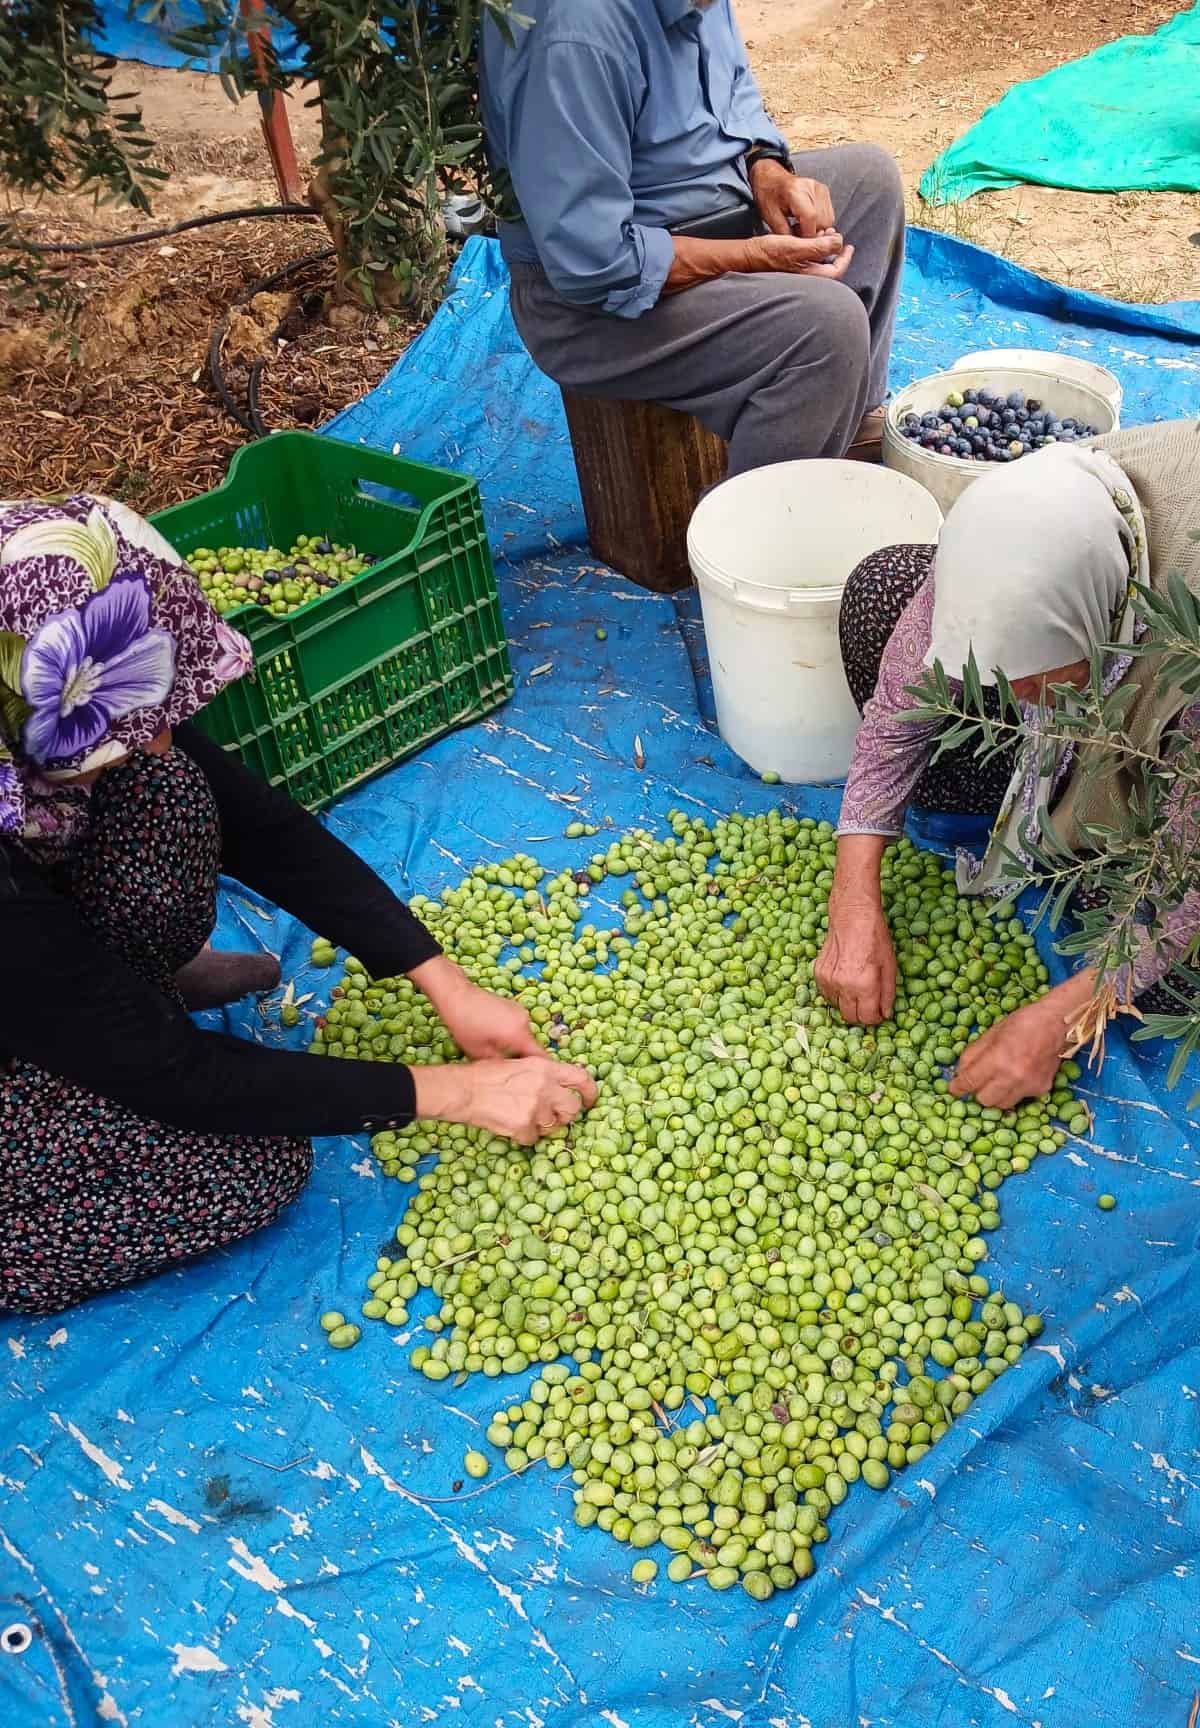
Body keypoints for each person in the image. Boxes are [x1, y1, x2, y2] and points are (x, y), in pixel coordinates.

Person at [0, 496, 597, 1316]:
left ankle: (107, 1009)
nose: (162, 735)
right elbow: (175, 1077)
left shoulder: (34, 662)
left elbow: (254, 820)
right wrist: (454, 1092)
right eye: (125, 724)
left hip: (33, 960)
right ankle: (67, 1088)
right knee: (251, 1167)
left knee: (167, 786)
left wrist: (440, 977)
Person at [815, 420, 1200, 1108]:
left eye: (1042, 677)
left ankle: (1099, 845)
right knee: (882, 593)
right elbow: (899, 709)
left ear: (1101, 613)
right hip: (1095, 691)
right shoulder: (1024, 529)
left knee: (1174, 975)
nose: (1012, 701)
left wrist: (1060, 1020)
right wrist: (853, 898)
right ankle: (1060, 816)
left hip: (1180, 750)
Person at [480, 0, 905, 474]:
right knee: (827, 325)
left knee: (871, 181)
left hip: (705, 212)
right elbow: (596, 266)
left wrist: (766, 170)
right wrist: (751, 257)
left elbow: (734, 93)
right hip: (589, 307)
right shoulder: (574, 36)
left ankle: (843, 432)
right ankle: (747, 540)